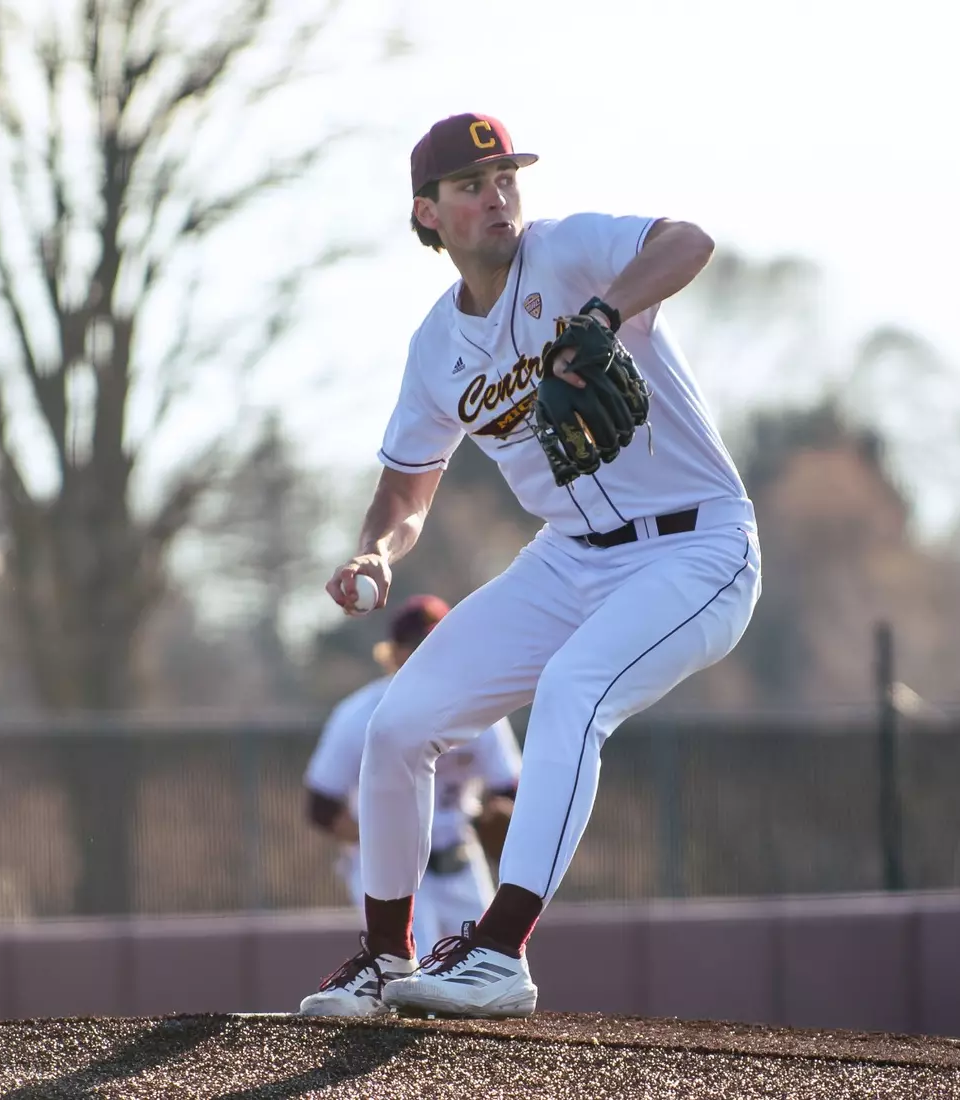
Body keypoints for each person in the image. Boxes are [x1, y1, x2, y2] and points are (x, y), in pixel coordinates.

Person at [298, 113, 762, 1019]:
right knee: (398, 727)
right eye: (471, 185)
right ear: (427, 215)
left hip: (699, 543)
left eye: (506, 174)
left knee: (573, 693)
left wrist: (604, 312)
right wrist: (376, 553)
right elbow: (405, 491)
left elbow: (689, 240)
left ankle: (500, 950)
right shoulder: (436, 347)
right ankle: (386, 958)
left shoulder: (574, 253)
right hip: (568, 560)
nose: (497, 193)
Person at [301, 593, 522, 961]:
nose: (432, 653)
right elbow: (321, 806)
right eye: (421, 644)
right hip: (391, 868)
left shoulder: (482, 709)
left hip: (458, 861)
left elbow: (509, 790)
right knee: (410, 971)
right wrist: (379, 843)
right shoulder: (361, 715)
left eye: (442, 643)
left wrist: (499, 818)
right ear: (395, 653)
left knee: (484, 963)